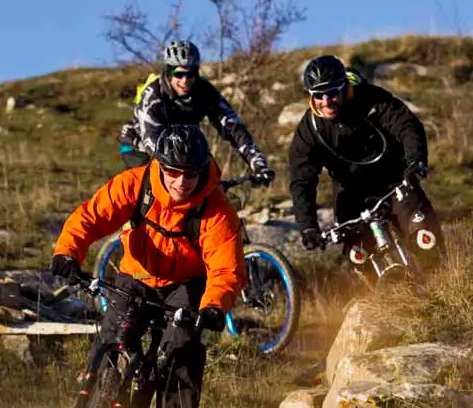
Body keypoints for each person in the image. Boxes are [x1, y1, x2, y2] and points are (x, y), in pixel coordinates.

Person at [52, 124, 245, 408]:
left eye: (190, 173)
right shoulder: (135, 184)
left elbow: (226, 267)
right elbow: (91, 216)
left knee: (183, 348)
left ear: (202, 169)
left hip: (186, 285)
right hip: (136, 275)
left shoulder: (217, 210)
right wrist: (67, 253)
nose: (181, 182)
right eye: (173, 172)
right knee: (112, 337)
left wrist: (214, 307)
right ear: (160, 165)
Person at [288, 55, 443, 272]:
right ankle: (381, 292)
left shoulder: (371, 99)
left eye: (331, 92)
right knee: (360, 259)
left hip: (395, 182)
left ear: (344, 87)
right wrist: (308, 227)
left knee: (426, 241)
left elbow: (407, 125)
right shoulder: (310, 129)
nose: (326, 100)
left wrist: (415, 161)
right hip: (351, 195)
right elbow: (301, 180)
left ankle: (442, 286)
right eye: (318, 95)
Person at [118, 40, 275, 186]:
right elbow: (151, 140)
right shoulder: (153, 95)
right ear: (168, 72)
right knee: (159, 187)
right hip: (139, 147)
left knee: (209, 180)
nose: (185, 80)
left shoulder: (204, 91)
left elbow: (234, 128)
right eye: (179, 74)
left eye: (191, 73)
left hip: (181, 146)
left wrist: (258, 163)